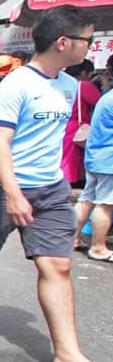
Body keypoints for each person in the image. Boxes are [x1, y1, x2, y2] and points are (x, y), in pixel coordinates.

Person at [0, 5, 112, 362]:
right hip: (1, 187)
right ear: (64, 42)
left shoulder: (69, 86)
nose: (90, 46)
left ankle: (68, 356)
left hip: (50, 188)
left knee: (59, 266)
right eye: (87, 39)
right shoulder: (16, 84)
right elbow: (0, 142)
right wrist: (14, 193)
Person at [75, 87, 113, 259]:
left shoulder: (107, 96)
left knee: (86, 199)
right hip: (108, 159)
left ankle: (72, 239)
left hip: (94, 155)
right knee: (105, 204)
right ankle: (98, 247)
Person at [60, 59, 100, 187]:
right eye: (89, 74)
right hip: (76, 128)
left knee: (62, 157)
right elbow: (99, 102)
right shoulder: (83, 85)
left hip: (61, 124)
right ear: (83, 72)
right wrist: (104, 86)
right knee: (70, 161)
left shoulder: (61, 82)